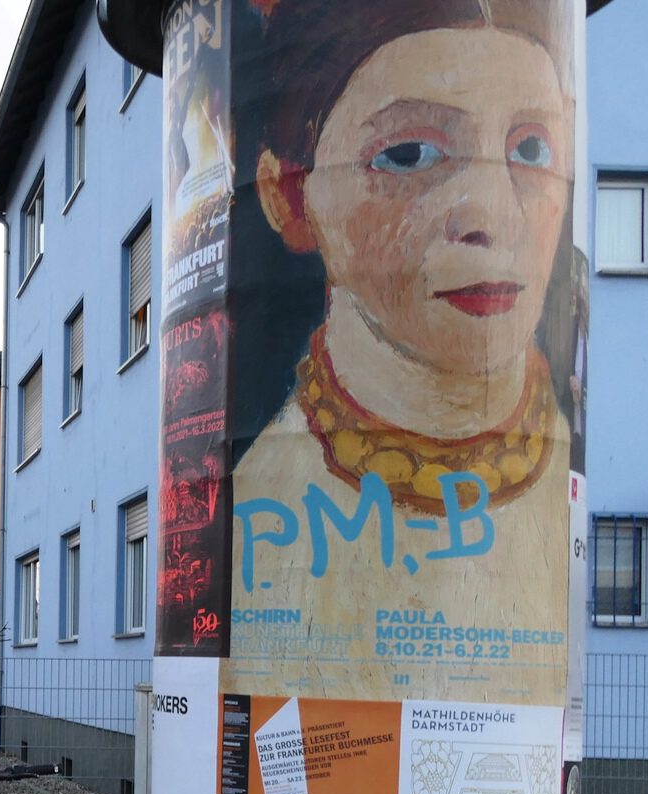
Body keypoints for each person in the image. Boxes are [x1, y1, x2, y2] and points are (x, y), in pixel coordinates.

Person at [226, 0, 579, 705]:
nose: (492, 217)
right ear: (289, 197)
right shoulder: (263, 504)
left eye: (532, 149)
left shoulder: (564, 480)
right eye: (410, 153)